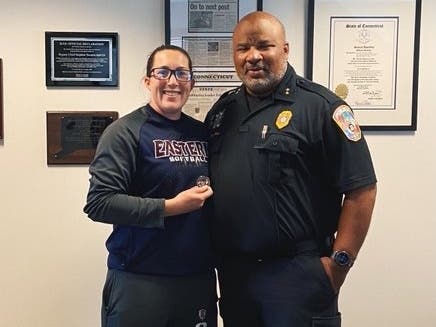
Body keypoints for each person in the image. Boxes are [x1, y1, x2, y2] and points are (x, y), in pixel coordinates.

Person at [205, 11, 377, 327]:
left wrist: (338, 265)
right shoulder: (222, 111)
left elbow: (361, 189)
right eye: (243, 48)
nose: (253, 57)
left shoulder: (322, 108)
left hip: (298, 275)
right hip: (236, 275)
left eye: (264, 46)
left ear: (285, 49)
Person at [84, 44, 217, 327]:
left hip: (197, 279)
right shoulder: (125, 132)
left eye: (182, 73)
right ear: (147, 81)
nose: (172, 81)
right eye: (163, 72)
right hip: (139, 278)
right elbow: (99, 203)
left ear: (191, 83)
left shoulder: (203, 133)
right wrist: (171, 207)